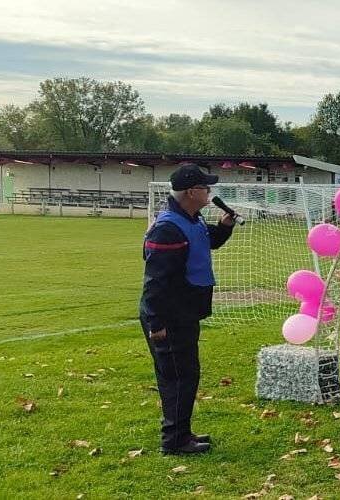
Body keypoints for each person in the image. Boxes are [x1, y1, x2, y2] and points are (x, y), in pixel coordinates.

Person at [139, 164, 236, 455]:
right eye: (206, 187)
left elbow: (208, 242)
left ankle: (181, 433)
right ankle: (175, 440)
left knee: (185, 374)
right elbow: (156, 281)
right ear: (192, 192)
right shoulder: (168, 228)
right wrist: (157, 324)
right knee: (177, 377)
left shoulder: (191, 220)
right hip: (168, 315)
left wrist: (224, 227)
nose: (210, 192)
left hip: (184, 313)